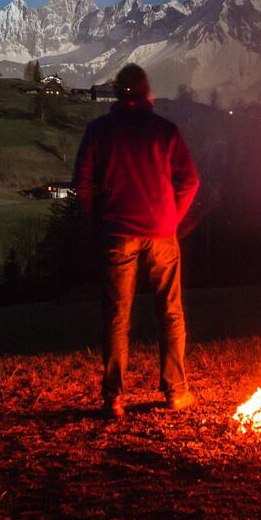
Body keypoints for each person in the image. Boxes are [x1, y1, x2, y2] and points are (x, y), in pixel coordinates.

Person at [72, 63, 200, 417]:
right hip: (161, 232)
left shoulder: (99, 130)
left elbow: (81, 182)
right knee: (171, 312)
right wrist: (171, 218)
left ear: (117, 92)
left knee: (117, 315)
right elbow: (190, 181)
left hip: (117, 232)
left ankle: (114, 398)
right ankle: (176, 391)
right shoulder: (165, 131)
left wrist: (93, 220)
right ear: (146, 93)